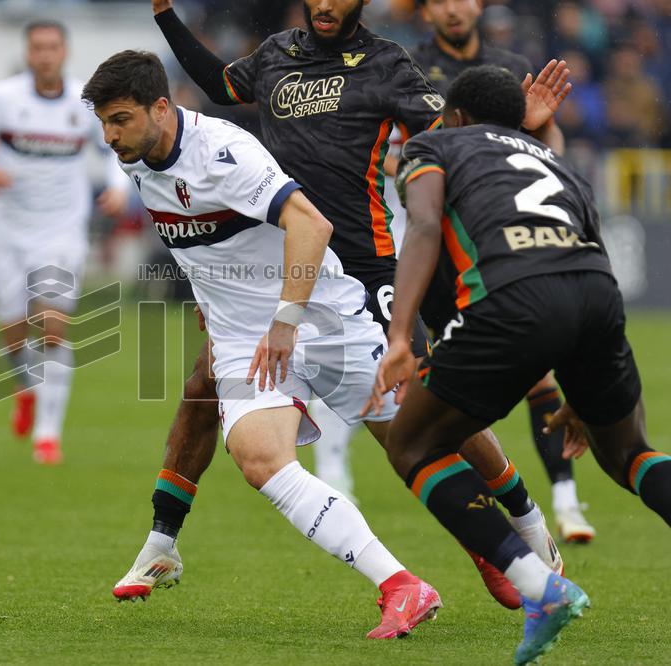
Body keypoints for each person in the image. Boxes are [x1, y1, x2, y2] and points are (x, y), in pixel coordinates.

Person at [113, 0, 567, 611]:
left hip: (361, 257)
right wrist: (167, 13)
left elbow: (446, 136)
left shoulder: (387, 63)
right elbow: (220, 83)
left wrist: (518, 128)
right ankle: (161, 541)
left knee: (419, 416)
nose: (327, 4)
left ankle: (519, 521)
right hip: (283, 258)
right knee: (202, 390)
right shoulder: (277, 54)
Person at [85, 49, 442, 640]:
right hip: (244, 336)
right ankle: (401, 584)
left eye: (119, 119)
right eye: (103, 123)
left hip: (320, 314)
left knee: (425, 443)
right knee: (257, 457)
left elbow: (312, 226)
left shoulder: (223, 152)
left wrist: (285, 319)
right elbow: (198, 237)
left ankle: (524, 538)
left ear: (160, 107)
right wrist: (214, 301)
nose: (109, 135)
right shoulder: (137, 156)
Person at [364, 64, 671, 664]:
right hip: (595, 294)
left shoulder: (434, 143)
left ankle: (540, 588)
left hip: (511, 296)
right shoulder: (554, 159)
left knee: (413, 445)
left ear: (455, 116)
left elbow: (424, 224)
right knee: (630, 452)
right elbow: (594, 242)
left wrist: (401, 335)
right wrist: (583, 380)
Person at [410, 0, 593, 544]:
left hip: (494, 235)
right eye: (441, 0)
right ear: (426, 13)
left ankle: (558, 501)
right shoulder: (407, 66)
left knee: (521, 374)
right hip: (425, 224)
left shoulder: (511, 67)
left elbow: (545, 151)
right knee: (422, 381)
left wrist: (545, 139)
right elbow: (395, 151)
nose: (454, 8)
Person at [0, 20, 129, 465]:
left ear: (64, 52)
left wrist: (118, 186)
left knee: (52, 325)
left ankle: (48, 435)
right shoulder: (4, 99)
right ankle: (25, 387)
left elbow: (112, 148)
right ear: (28, 53)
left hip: (62, 231)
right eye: (38, 48)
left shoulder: (82, 102)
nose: (46, 55)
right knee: (14, 334)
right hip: (10, 231)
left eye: (53, 47)